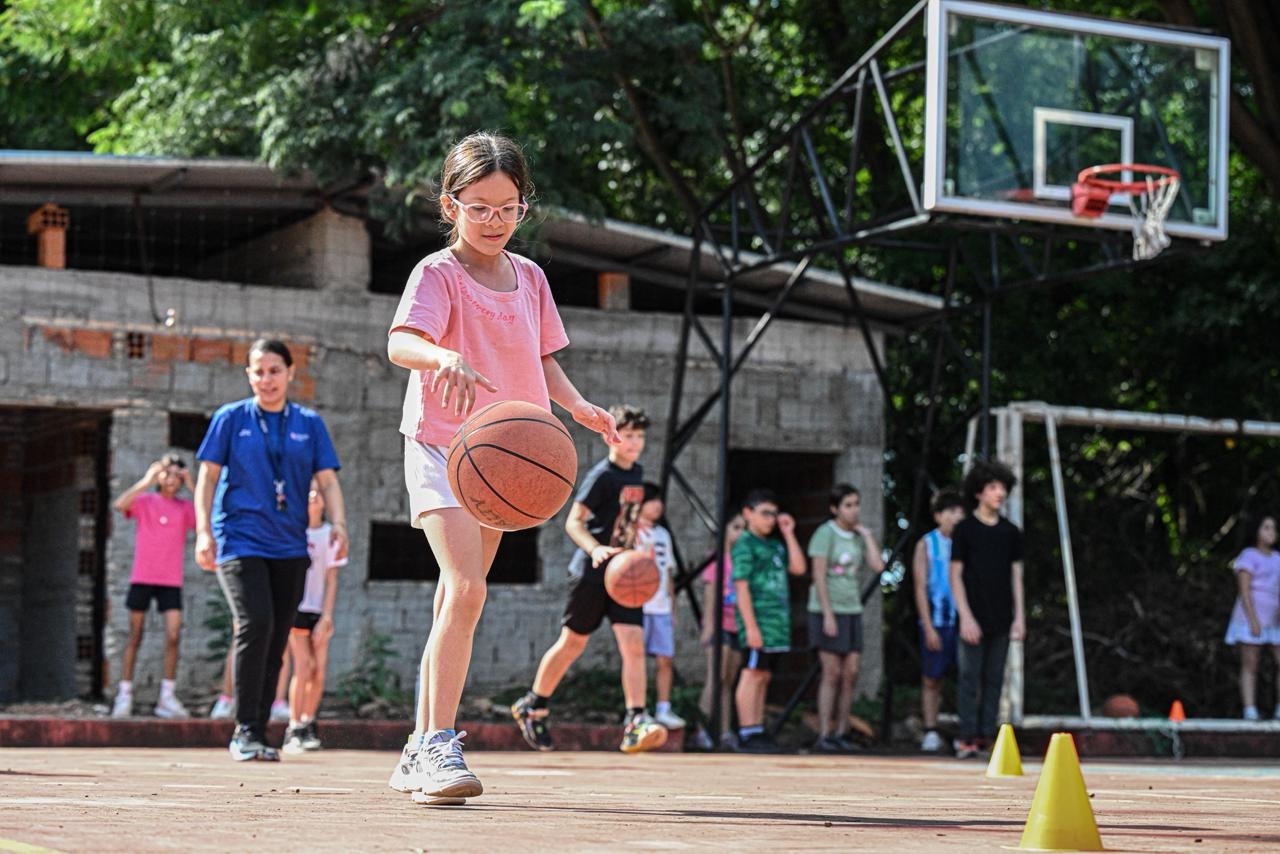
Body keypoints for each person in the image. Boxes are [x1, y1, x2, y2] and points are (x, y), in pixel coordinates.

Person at [384, 132, 620, 805]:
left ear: (524, 207)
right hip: (441, 447)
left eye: (508, 207)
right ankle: (436, 746)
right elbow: (401, 341)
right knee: (466, 591)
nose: (494, 220)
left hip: (501, 458)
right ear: (450, 205)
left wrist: (576, 407)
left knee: (454, 599)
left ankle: (414, 749)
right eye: (479, 207)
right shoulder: (438, 274)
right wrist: (443, 358)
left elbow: (543, 356)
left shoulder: (532, 277)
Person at [194, 338, 348, 762]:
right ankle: (244, 728)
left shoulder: (309, 423)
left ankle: (260, 733)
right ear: (248, 375)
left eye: (274, 370)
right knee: (254, 621)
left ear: (290, 373)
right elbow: (207, 478)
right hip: (240, 538)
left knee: (278, 635)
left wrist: (340, 523)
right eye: (258, 371)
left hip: (290, 544)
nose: (266, 379)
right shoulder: (230, 419)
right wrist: (203, 532)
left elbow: (328, 481)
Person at [511, 405, 667, 756]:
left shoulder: (637, 473)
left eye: (640, 436)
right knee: (572, 643)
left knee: (634, 644)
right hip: (593, 570)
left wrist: (632, 537)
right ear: (611, 436)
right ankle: (533, 705)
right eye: (628, 435)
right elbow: (574, 522)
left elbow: (623, 518)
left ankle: (635, 720)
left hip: (624, 573)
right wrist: (596, 549)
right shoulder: (603, 476)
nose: (635, 442)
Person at [109, 455, 197, 719]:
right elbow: (120, 504)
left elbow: (210, 517)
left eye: (176, 475)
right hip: (143, 577)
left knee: (173, 635)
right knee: (135, 635)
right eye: (166, 473)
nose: (171, 479)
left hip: (171, 580)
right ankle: (124, 694)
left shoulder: (184, 508)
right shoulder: (146, 501)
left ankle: (166, 697)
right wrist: (146, 480)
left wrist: (193, 484)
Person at [949, 461, 1025, 759]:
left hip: (1002, 616)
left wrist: (1019, 617)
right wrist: (965, 616)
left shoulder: (1011, 532)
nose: (1000, 493)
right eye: (993, 487)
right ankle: (966, 737)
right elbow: (955, 575)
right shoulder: (964, 530)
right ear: (979, 492)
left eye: (1003, 487)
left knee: (995, 679)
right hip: (972, 614)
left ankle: (986, 738)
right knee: (969, 677)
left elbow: (1016, 576)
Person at [806, 484, 883, 752]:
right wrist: (827, 614)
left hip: (852, 609)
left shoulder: (858, 536)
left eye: (856, 504)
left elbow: (877, 566)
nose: (854, 510)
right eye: (848, 505)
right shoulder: (824, 534)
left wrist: (867, 535)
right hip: (827, 609)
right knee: (832, 672)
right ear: (835, 508)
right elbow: (818, 575)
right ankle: (824, 732)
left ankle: (842, 730)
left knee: (850, 672)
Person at [733, 489, 806, 753]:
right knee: (751, 673)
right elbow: (741, 587)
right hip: (758, 621)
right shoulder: (745, 544)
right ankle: (746, 731)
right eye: (765, 513)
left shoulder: (775, 545)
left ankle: (757, 728)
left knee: (764, 675)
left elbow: (798, 568)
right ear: (748, 514)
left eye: (774, 514)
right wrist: (751, 626)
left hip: (777, 624)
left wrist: (788, 533)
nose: (771, 519)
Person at [284, 481, 347, 753]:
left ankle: (309, 722)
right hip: (296, 609)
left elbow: (332, 580)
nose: (313, 496)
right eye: (308, 492)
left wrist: (327, 616)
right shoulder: (292, 532)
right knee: (303, 666)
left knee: (319, 671)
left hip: (318, 612)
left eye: (318, 493)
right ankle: (293, 726)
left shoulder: (329, 536)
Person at [911, 490, 965, 752]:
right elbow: (920, 587)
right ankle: (930, 730)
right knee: (932, 677)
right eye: (951, 511)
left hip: (962, 620)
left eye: (960, 512)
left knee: (965, 677)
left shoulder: (967, 543)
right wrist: (928, 625)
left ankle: (964, 731)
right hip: (936, 619)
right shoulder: (926, 544)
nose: (957, 517)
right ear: (937, 515)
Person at [694, 513, 746, 750]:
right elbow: (710, 597)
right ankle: (701, 730)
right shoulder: (716, 561)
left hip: (737, 627)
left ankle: (725, 732)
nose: (741, 533)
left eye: (744, 528)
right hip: (719, 628)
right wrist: (709, 630)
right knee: (714, 678)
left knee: (728, 681)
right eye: (736, 527)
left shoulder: (743, 560)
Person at [636, 482, 685, 731]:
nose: (658, 506)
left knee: (665, 660)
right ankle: (636, 711)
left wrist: (672, 607)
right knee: (637, 660)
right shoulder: (630, 532)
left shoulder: (663, 535)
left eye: (659, 500)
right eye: (652, 500)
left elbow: (669, 574)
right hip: (638, 607)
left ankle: (663, 708)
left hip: (661, 607)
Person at [1223, 514, 1280, 721]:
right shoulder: (1248, 556)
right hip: (1252, 617)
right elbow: (1245, 591)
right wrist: (1253, 620)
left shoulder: (1278, 559)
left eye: (1273, 528)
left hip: (1275, 620)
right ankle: (1250, 709)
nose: (1271, 532)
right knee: (1251, 663)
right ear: (1256, 531)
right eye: (1266, 527)